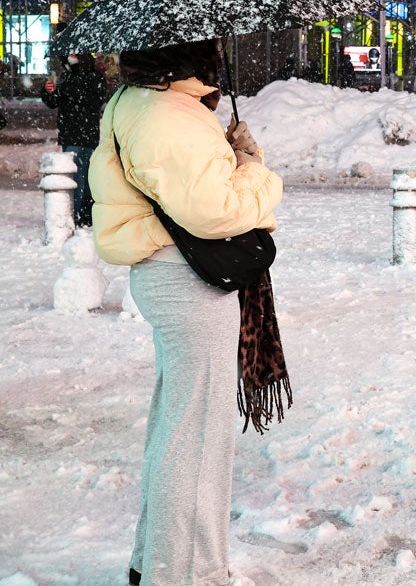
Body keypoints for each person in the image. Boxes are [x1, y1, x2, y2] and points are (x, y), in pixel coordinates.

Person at [87, 39, 283, 586]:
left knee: (178, 428)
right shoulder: (168, 114)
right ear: (190, 54)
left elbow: (184, 188)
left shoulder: (140, 102)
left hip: (169, 272)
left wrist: (230, 152)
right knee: (195, 440)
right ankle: (186, 576)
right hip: (188, 280)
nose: (218, 59)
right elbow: (214, 210)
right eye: (212, 50)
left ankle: (157, 563)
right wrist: (258, 172)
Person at [43, 53, 112, 227]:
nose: (70, 58)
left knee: (82, 177)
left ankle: (82, 215)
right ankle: (83, 215)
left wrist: (68, 87)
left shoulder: (90, 77)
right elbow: (56, 102)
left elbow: (93, 101)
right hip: (74, 133)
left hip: (83, 134)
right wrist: (49, 93)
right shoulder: (70, 76)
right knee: (80, 176)